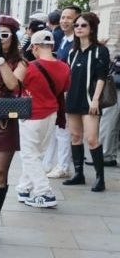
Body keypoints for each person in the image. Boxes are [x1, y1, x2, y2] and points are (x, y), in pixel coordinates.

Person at [0, 30, 70, 208]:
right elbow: (64, 88)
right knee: (37, 154)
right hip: (52, 113)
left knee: (29, 155)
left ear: (36, 47)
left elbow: (12, 85)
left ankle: (44, 193)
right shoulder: (64, 67)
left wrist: (1, 62)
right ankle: (24, 188)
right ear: (52, 46)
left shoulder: (29, 66)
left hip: (31, 115)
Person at [0, 15, 25, 243]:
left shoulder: (20, 62)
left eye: (5, 35)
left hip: (3, 122)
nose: (0, 39)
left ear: (13, 38)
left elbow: (12, 85)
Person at [63, 12, 110, 192]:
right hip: (73, 98)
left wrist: (96, 100)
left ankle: (100, 178)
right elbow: (68, 75)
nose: (79, 28)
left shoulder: (100, 50)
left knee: (91, 138)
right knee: (75, 137)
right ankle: (78, 174)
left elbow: (101, 76)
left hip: (91, 100)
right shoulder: (72, 52)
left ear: (91, 29)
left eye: (83, 25)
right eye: (77, 26)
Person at [44, 5, 81, 178]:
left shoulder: (77, 42)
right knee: (55, 128)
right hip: (58, 90)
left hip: (68, 91)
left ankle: (63, 167)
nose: (65, 21)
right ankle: (49, 163)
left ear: (77, 20)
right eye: (63, 17)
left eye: (69, 18)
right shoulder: (64, 40)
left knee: (63, 129)